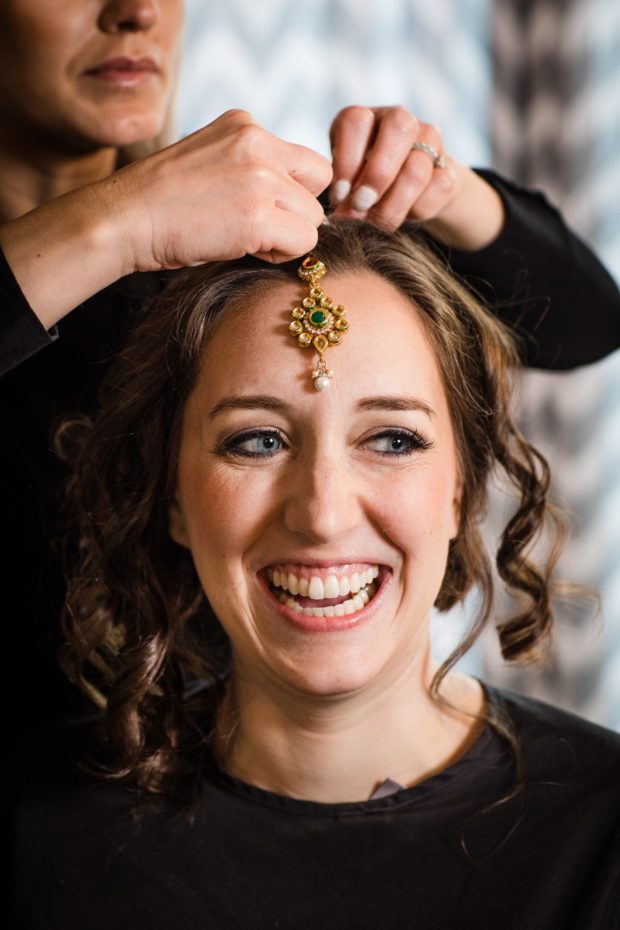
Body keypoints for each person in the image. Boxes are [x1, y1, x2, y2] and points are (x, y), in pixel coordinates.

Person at [2, 1, 619, 748]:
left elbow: (585, 321)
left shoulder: (236, 242)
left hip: (218, 780)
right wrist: (117, 223)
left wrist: (440, 186)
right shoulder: (158, 230)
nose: (135, 10)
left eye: (392, 439)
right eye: (255, 441)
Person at [14, 218, 619, 929]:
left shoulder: (602, 833)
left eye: (392, 439)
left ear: (460, 489)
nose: (323, 515)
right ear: (172, 496)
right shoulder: (33, 829)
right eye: (258, 440)